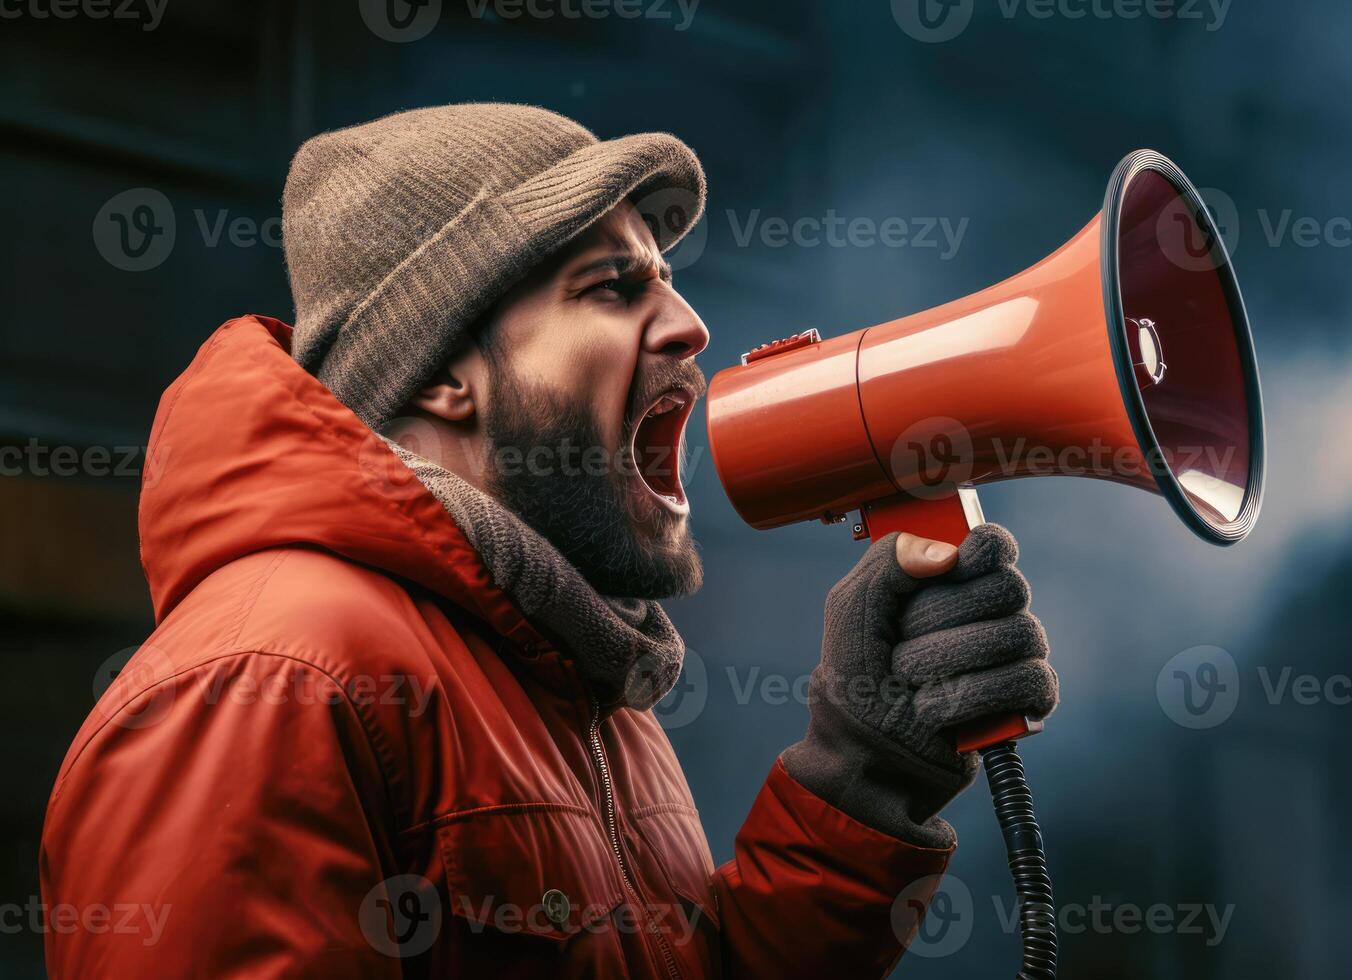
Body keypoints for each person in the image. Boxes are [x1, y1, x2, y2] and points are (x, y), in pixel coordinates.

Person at [40, 103, 1057, 977]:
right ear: (445, 372)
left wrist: (863, 769)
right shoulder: (271, 682)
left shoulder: (568, 686)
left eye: (666, 279)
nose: (691, 324)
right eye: (610, 287)